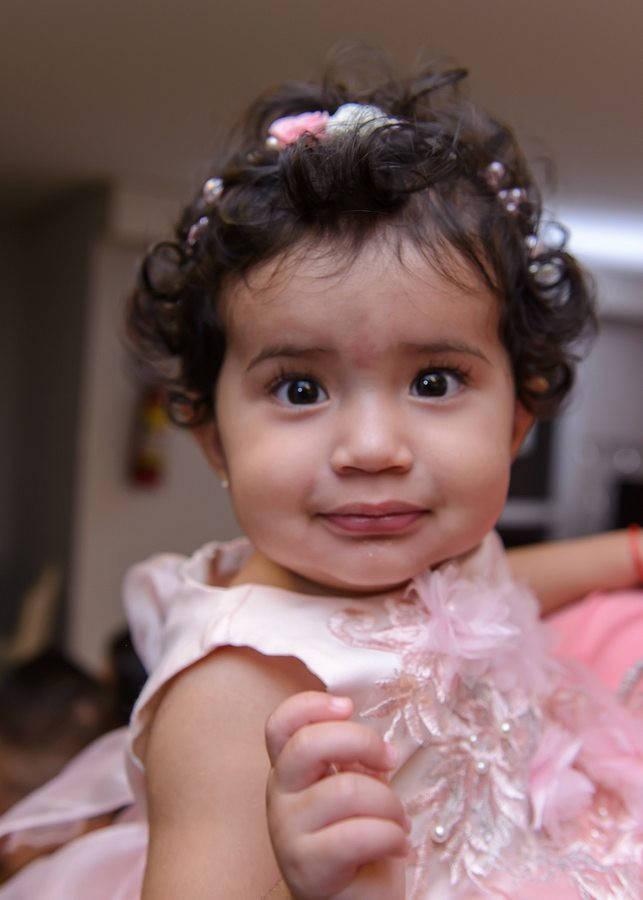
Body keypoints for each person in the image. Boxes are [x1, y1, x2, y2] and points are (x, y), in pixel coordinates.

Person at [1, 47, 642, 899]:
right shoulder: (234, 697)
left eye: (433, 381)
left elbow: (493, 593)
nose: (371, 448)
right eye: (300, 389)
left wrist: (626, 553)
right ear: (213, 440)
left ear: (518, 420)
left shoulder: (438, 555)